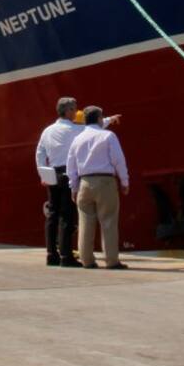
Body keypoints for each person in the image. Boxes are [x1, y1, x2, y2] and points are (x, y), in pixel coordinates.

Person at [66, 106, 130, 270]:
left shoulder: (77, 139)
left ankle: (87, 260)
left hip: (84, 182)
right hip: (105, 181)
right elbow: (118, 160)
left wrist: (74, 187)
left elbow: (71, 166)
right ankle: (111, 260)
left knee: (85, 222)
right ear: (100, 119)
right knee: (108, 220)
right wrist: (124, 181)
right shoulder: (108, 136)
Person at [35, 97, 84, 267]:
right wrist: (108, 120)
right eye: (74, 109)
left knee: (52, 214)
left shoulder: (47, 130)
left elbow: (40, 152)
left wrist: (42, 172)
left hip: (52, 173)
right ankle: (66, 255)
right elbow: (94, 130)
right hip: (68, 173)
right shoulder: (75, 129)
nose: (76, 112)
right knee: (67, 214)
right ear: (68, 111)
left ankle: (51, 254)